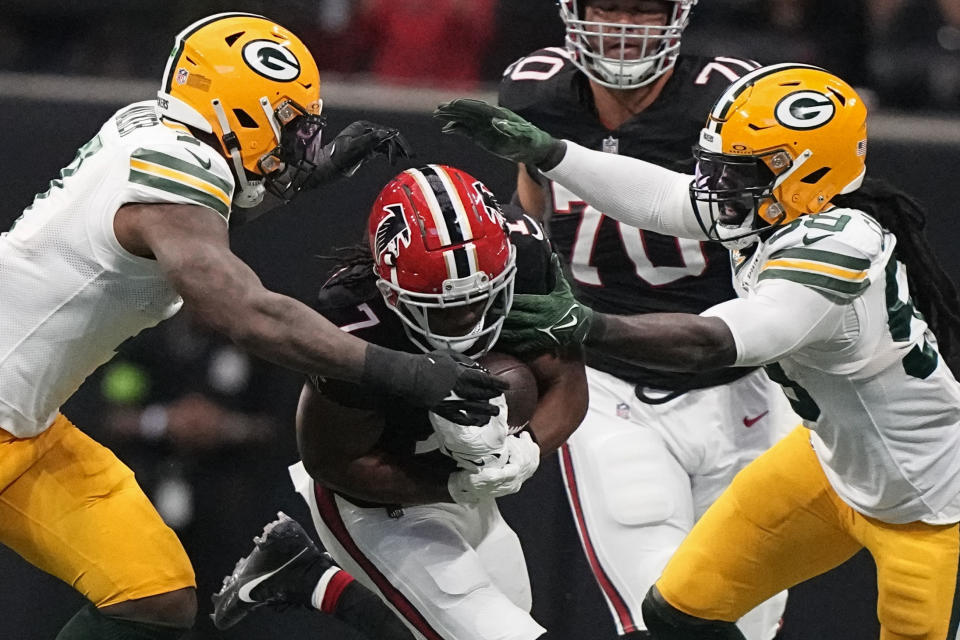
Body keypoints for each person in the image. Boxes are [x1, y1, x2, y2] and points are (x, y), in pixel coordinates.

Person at [0, 13, 509, 640]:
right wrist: (405, 372)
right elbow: (245, 312)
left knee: (149, 594)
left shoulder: (157, 130)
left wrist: (302, 183)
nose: (302, 138)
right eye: (290, 122)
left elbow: (195, 228)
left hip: (25, 428)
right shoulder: (173, 171)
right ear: (234, 110)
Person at [433, 62, 960, 639]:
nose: (715, 187)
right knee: (677, 612)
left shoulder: (839, 247)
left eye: (738, 172)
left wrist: (586, 325)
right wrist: (554, 152)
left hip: (932, 509)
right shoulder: (780, 210)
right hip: (828, 464)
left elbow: (717, 341)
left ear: (809, 173)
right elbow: (661, 197)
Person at [496, 1, 792, 637]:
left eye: (641, 10)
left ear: (677, 16)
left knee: (745, 625)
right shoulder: (536, 92)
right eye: (607, 6)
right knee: (660, 615)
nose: (622, 26)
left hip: (742, 382)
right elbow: (532, 216)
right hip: (610, 389)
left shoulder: (733, 100)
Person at [211, 165, 589, 640]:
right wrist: (456, 484)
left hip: (473, 492)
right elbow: (332, 462)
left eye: (480, 299)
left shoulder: (525, 252)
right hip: (376, 503)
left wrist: (528, 446)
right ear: (389, 290)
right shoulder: (352, 316)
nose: (467, 316)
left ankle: (313, 579)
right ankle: (319, 579)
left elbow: (569, 379)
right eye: (442, 306)